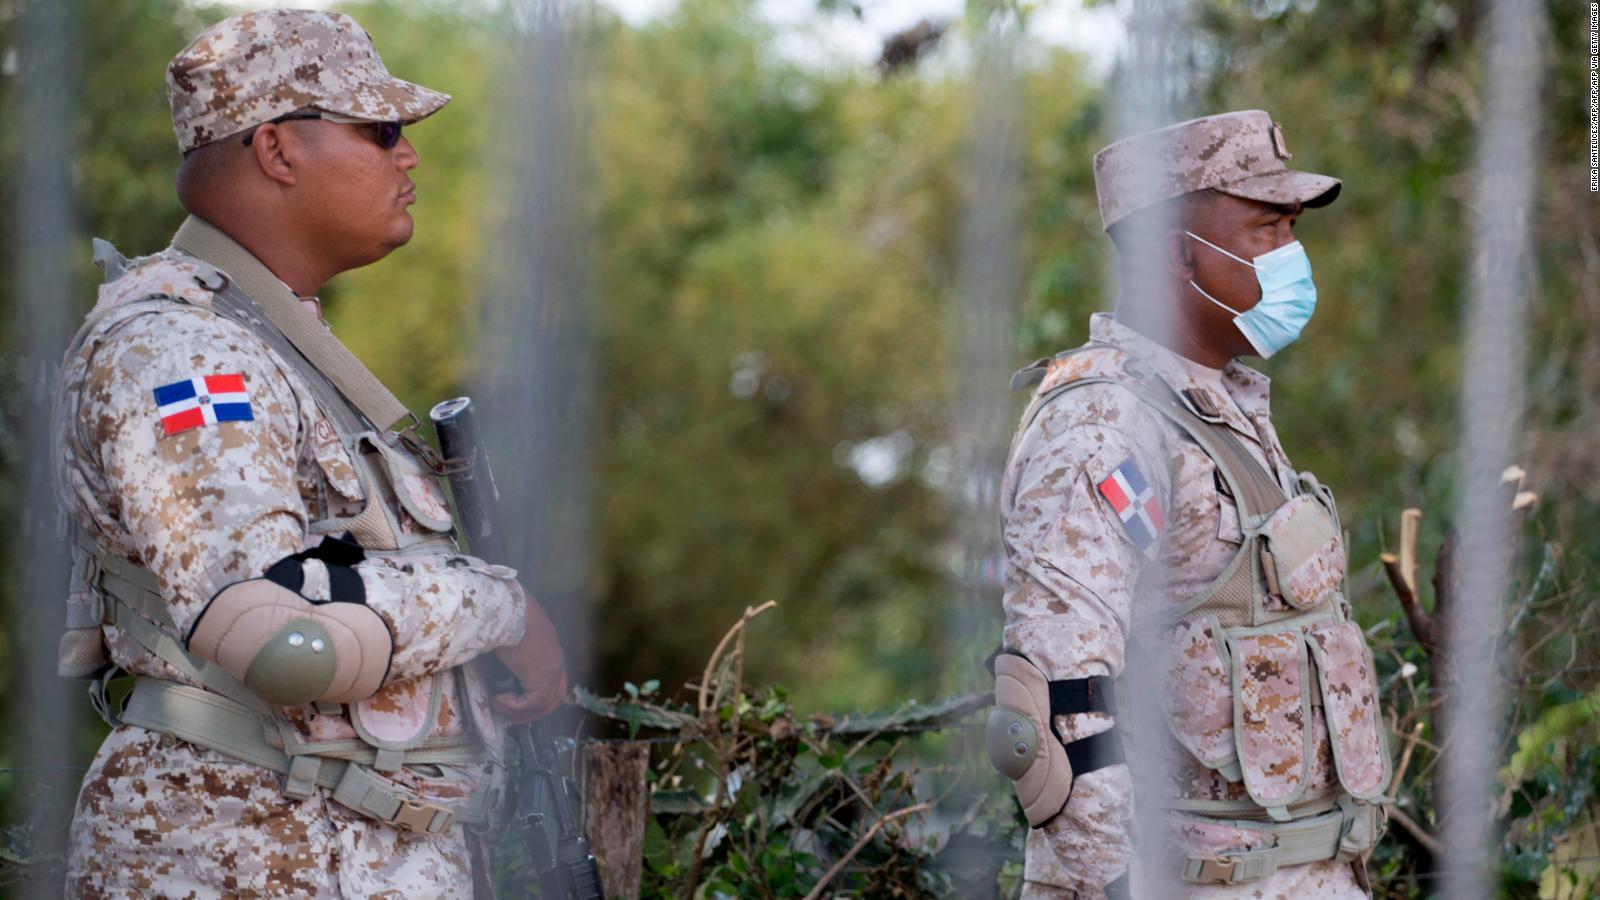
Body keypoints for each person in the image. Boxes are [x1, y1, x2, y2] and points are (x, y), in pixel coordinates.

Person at [53, 9, 566, 897]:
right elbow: (285, 645)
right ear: (278, 150)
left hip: (321, 847)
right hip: (244, 856)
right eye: (383, 130)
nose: (408, 157)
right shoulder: (187, 355)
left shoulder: (272, 344)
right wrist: (499, 607)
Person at [987, 110, 1390, 898]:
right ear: (1178, 253)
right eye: (1267, 231)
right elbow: (1056, 707)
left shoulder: (1221, 405)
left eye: (1294, 229)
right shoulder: (1105, 423)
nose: (1293, 258)